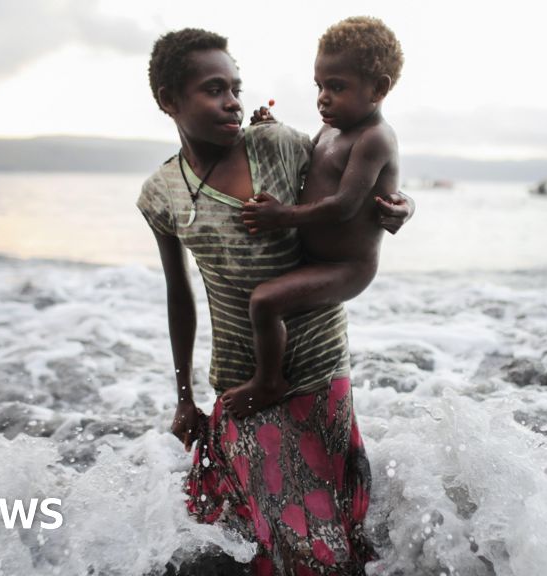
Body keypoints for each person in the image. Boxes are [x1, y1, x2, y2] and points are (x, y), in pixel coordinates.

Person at [136, 28, 412, 575]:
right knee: (240, 540)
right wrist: (184, 397)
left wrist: (401, 205)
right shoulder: (161, 193)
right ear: (169, 100)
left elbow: (352, 187)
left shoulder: (279, 145)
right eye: (213, 90)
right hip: (240, 384)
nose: (232, 101)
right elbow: (179, 296)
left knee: (325, 542)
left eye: (235, 87)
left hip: (314, 371)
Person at [220, 17, 403, 420]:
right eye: (319, 86)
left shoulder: (374, 138)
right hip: (315, 257)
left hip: (346, 266)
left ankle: (270, 382)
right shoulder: (330, 129)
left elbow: (345, 205)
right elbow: (306, 158)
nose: (323, 98)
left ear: (379, 88)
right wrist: (275, 130)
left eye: (337, 87)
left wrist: (281, 216)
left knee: (265, 302)